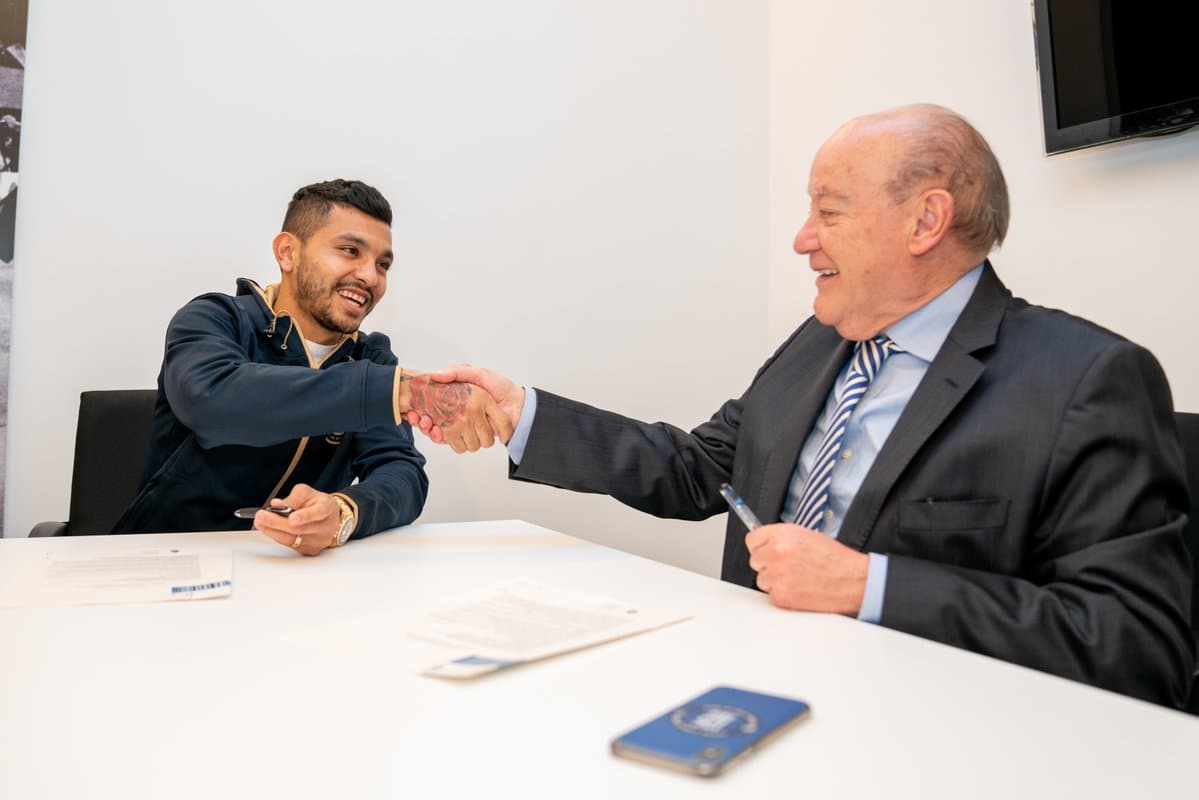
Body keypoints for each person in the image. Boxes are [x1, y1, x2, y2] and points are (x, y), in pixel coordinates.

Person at [414, 105, 1196, 708]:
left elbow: (1137, 644)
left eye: (829, 210)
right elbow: (699, 470)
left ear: (924, 221)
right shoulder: (818, 343)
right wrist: (521, 412)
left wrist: (867, 585)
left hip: (923, 731)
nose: (800, 238)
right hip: (746, 691)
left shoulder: (1087, 380)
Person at [115, 179, 511, 555]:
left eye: (383, 264)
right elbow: (213, 401)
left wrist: (344, 512)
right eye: (350, 251)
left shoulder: (370, 359)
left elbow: (401, 472)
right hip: (167, 561)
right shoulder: (214, 319)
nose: (370, 276)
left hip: (295, 573)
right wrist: (404, 390)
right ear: (288, 252)